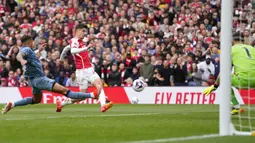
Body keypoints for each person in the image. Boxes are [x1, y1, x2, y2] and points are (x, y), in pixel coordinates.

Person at [1, 35, 99, 114]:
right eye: (33, 41)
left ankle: (12, 104)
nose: (34, 42)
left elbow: (29, 55)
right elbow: (19, 55)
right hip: (40, 79)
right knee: (65, 91)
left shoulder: (28, 51)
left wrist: (38, 51)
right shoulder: (26, 49)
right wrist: (21, 60)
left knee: (36, 100)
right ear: (30, 42)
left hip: (33, 81)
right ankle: (92, 95)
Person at [58, 24, 113, 112]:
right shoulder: (74, 41)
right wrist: (86, 48)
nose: (85, 33)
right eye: (83, 31)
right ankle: (62, 103)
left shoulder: (81, 41)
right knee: (82, 96)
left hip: (89, 69)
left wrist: (61, 59)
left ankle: (103, 105)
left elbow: (66, 49)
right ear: (77, 31)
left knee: (99, 85)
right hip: (81, 72)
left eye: (85, 31)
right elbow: (72, 50)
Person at [203, 32, 255, 115]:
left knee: (224, 80)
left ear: (232, 40)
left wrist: (215, 85)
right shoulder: (252, 48)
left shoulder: (231, 50)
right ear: (243, 39)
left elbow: (224, 71)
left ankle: (237, 107)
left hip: (243, 80)